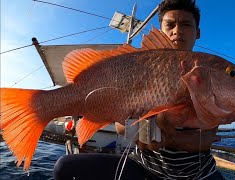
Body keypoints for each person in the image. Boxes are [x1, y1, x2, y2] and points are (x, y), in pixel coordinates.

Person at [53, 0, 224, 179]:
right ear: (161, 30)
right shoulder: (139, 66)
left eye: (186, 24)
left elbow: (206, 139)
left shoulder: (207, 73)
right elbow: (120, 127)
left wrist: (167, 137)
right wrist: (138, 129)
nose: (177, 31)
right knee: (64, 167)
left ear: (197, 33)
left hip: (199, 175)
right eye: (170, 24)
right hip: (143, 167)